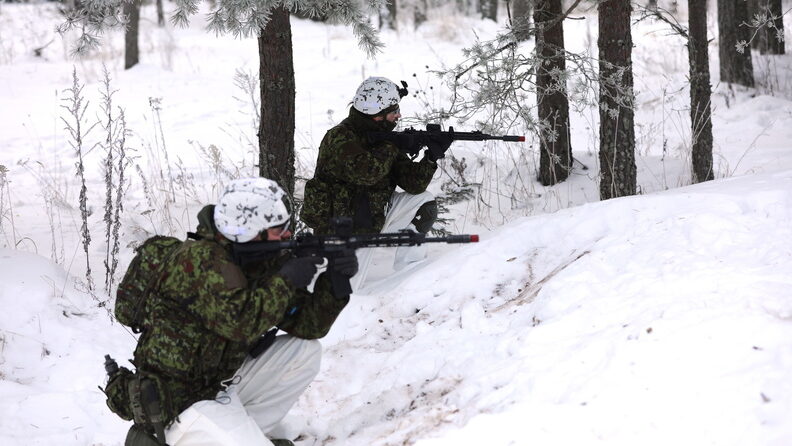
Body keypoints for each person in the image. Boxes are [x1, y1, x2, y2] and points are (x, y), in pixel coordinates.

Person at [126, 177, 358, 446]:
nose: (287, 235)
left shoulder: (251, 259)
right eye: (279, 229)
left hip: (217, 385)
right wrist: (285, 280)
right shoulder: (199, 261)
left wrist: (335, 280)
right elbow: (241, 323)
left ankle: (244, 432)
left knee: (304, 352)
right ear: (250, 230)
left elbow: (310, 326)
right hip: (179, 404)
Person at [300, 76, 453, 285]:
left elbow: (413, 185)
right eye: (393, 111)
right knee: (343, 295)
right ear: (376, 116)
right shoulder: (339, 138)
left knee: (423, 203)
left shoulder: (384, 137)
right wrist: (395, 145)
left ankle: (411, 276)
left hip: (374, 216)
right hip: (344, 230)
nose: (399, 115)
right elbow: (366, 174)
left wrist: (431, 156)